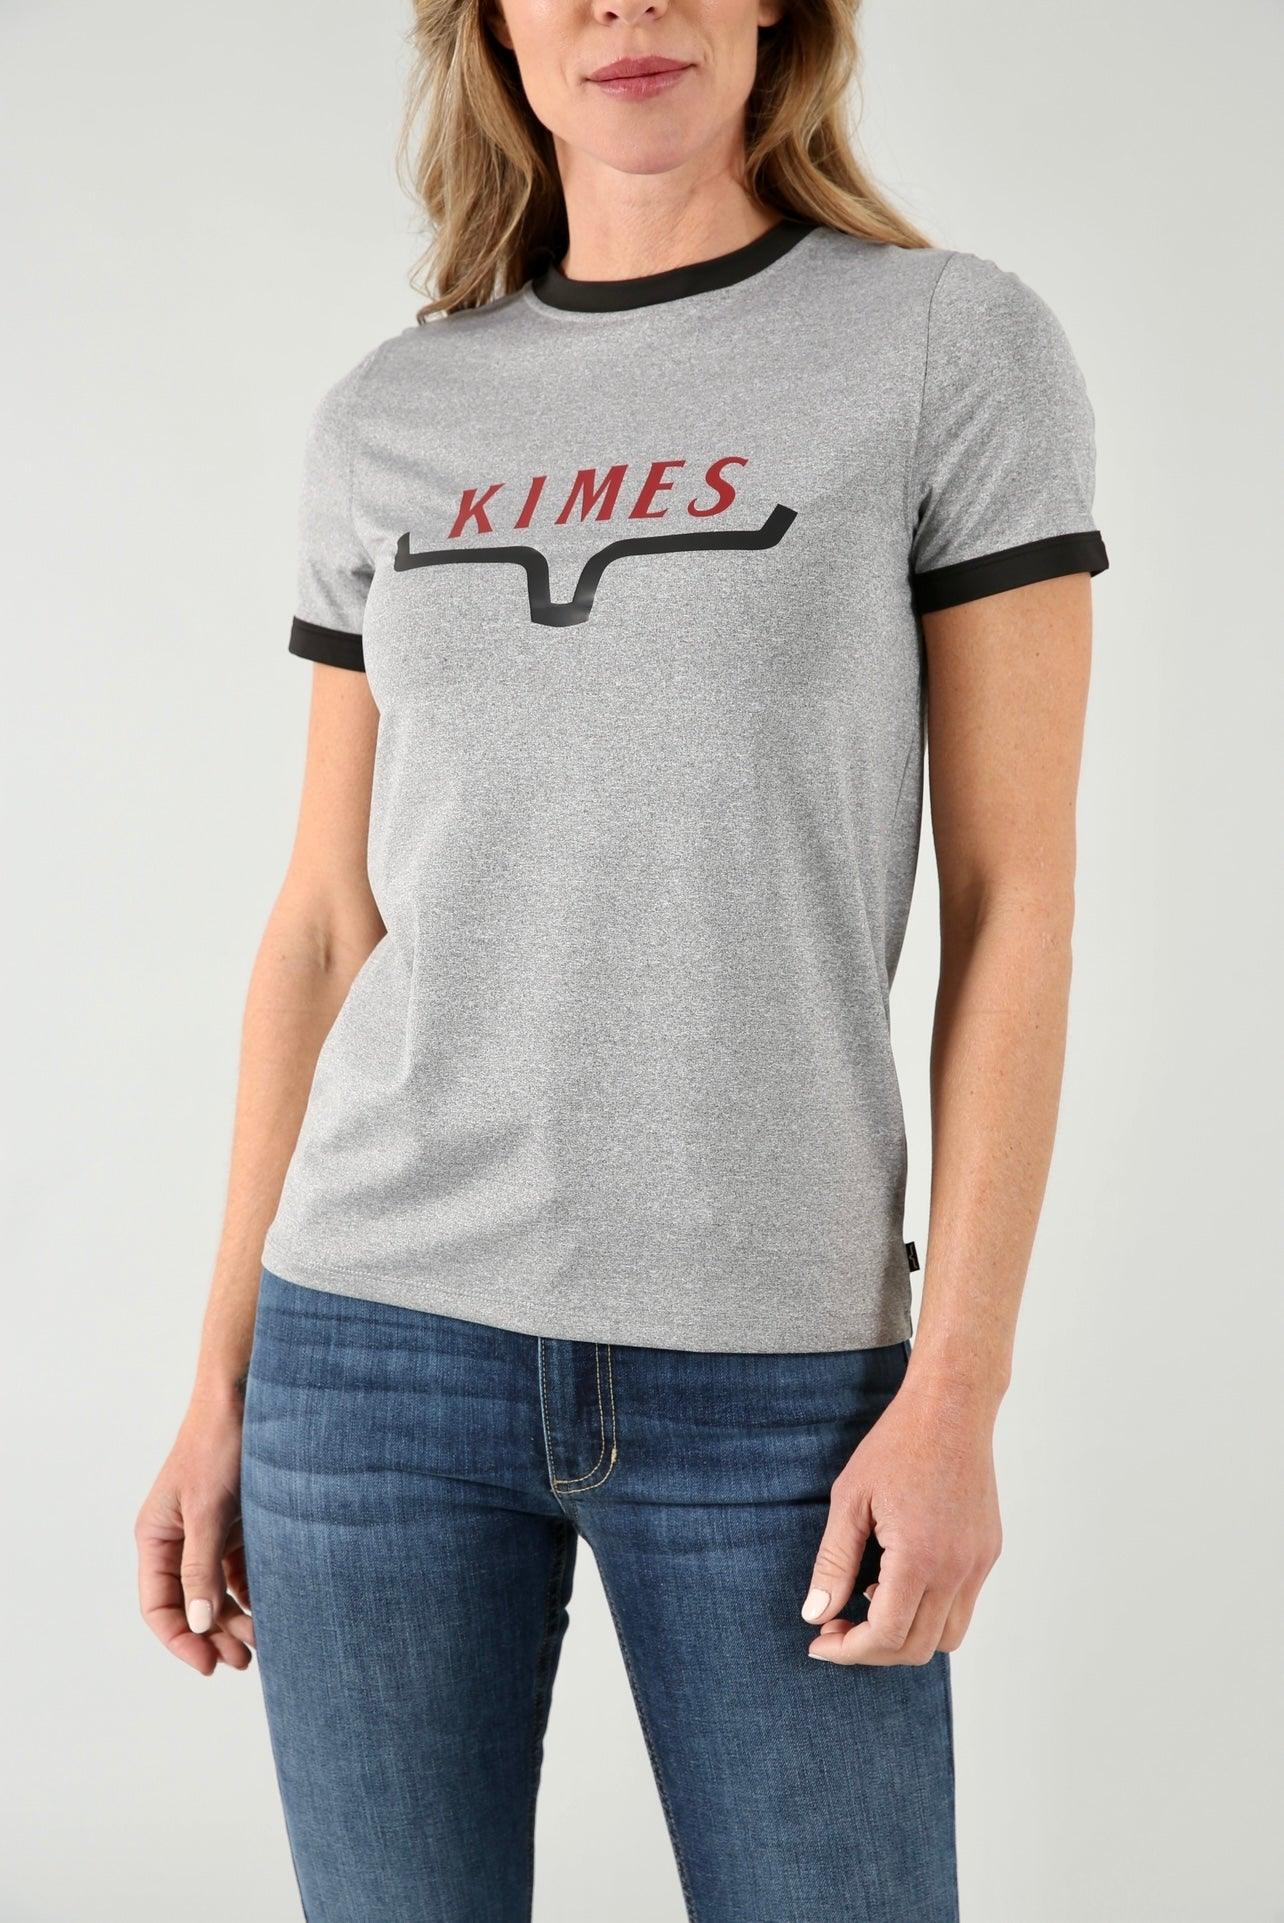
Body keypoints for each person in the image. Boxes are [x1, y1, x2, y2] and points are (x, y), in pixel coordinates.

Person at [134, 0, 1108, 1912]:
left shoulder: (944, 346)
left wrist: (958, 1393)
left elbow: (1018, 901)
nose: (628, 6)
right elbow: (326, 917)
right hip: (373, 1347)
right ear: (496, 29)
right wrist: (220, 1376)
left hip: (778, 1379)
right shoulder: (390, 418)